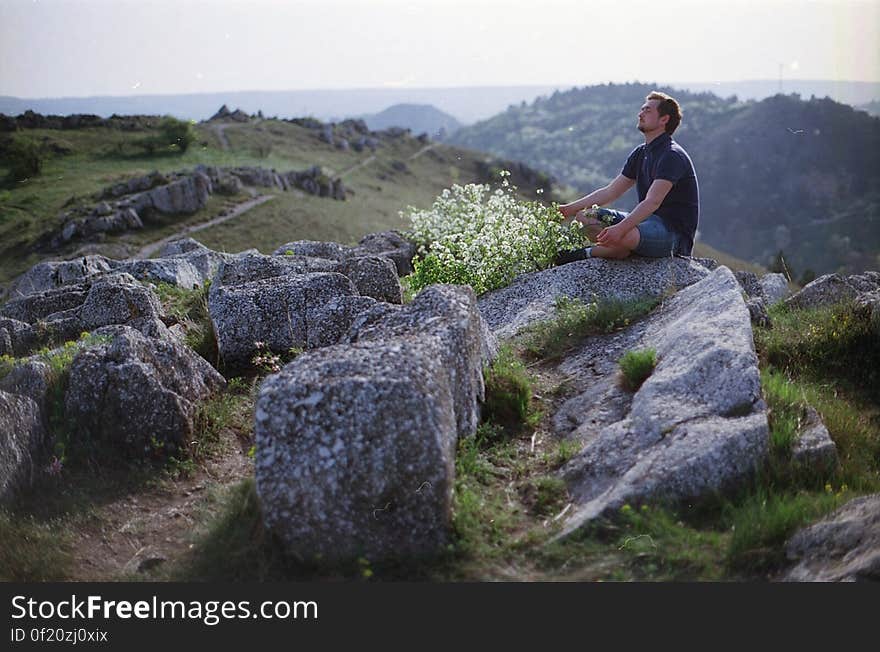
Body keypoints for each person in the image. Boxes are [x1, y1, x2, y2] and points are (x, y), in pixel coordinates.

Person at [555, 91, 699, 263]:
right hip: (646, 223)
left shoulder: (672, 155)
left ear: (664, 119)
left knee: (625, 233)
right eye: (641, 110)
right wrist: (569, 209)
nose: (640, 114)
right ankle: (620, 249)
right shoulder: (641, 153)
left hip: (673, 234)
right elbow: (610, 192)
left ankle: (590, 252)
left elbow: (652, 201)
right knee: (585, 217)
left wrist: (620, 229)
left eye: (647, 110)